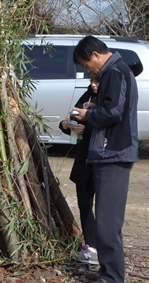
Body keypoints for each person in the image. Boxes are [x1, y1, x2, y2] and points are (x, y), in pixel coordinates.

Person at [72, 35, 139, 283]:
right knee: (105, 220)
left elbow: (113, 113)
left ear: (95, 55)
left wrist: (89, 114)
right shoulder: (115, 71)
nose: (89, 70)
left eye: (87, 65)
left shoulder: (115, 72)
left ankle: (113, 276)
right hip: (109, 153)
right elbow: (110, 107)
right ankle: (106, 270)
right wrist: (94, 105)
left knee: (108, 222)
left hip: (115, 154)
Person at [59, 73, 99, 266]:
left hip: (102, 159)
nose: (93, 85)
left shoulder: (112, 98)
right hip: (84, 158)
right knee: (84, 204)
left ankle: (102, 248)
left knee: (103, 208)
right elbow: (74, 115)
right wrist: (67, 125)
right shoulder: (87, 94)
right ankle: (90, 247)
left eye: (97, 82)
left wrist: (88, 129)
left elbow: (113, 125)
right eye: (91, 81)